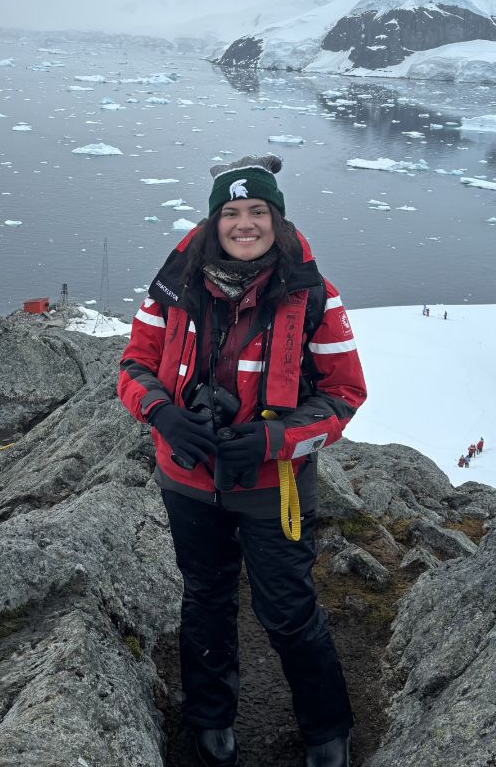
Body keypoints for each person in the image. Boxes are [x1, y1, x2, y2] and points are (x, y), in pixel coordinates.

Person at [119, 154, 366, 767]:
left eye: (257, 211)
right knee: (205, 596)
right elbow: (133, 365)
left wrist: (272, 441)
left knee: (286, 607)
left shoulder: (313, 296)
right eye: (231, 212)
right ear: (214, 222)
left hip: (271, 483)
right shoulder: (175, 287)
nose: (244, 223)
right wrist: (163, 414)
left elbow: (344, 395)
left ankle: (328, 729)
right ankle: (210, 722)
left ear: (276, 220)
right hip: (187, 478)